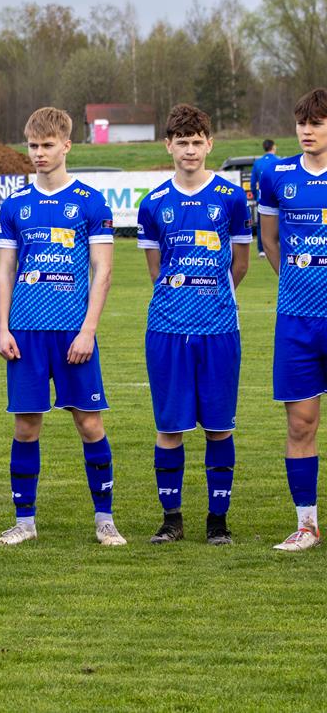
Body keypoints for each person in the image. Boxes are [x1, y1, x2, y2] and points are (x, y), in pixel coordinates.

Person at [0, 106, 125, 547]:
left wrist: (88, 330)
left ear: (67, 145)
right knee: (26, 427)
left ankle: (105, 521)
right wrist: (3, 327)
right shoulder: (15, 205)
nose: (39, 153)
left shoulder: (90, 202)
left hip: (72, 332)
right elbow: (5, 270)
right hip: (26, 333)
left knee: (90, 424)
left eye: (47, 145)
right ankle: (24, 523)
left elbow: (103, 271)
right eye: (33, 145)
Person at [137, 104, 251, 546]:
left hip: (219, 328)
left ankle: (217, 521)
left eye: (197, 142)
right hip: (167, 329)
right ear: (168, 145)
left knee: (219, 426)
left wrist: (212, 296)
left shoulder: (231, 197)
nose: (189, 150)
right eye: (181, 142)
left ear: (210, 144)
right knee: (169, 428)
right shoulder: (153, 203)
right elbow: (156, 271)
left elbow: (240, 264)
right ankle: (172, 520)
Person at [258, 88, 327, 551]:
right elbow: (270, 242)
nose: (306, 130)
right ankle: (307, 526)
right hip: (297, 321)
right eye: (302, 123)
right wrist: (300, 284)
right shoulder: (276, 175)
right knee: (301, 424)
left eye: (316, 123)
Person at [250, 139, 278, 256]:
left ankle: (262, 250)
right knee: (279, 223)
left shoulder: (258, 163)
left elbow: (253, 182)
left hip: (262, 198)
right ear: (273, 147)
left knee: (262, 224)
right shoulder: (279, 160)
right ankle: (279, 246)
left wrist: (256, 195)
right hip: (277, 197)